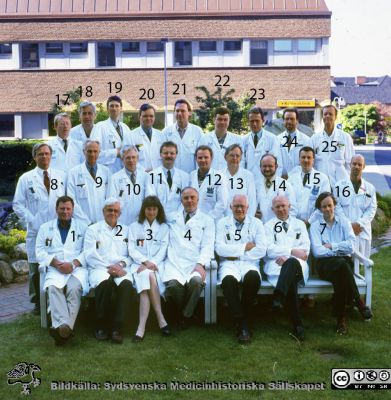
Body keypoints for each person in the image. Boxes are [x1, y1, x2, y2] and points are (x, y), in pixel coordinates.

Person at [13, 143, 66, 315]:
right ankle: (37, 302)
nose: (44, 157)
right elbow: (18, 205)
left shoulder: (60, 176)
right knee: (36, 267)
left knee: (57, 261)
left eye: (47, 154)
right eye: (41, 154)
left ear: (51, 156)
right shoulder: (26, 179)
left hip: (57, 228)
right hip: (36, 230)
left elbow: (66, 201)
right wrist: (32, 220)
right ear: (35, 157)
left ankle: (57, 296)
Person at [310, 192, 373, 335]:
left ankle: (341, 318)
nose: (327, 209)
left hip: (342, 264)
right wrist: (340, 249)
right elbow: (317, 252)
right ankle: (358, 302)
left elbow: (351, 246)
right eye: (324, 206)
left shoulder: (344, 222)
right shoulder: (315, 226)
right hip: (325, 266)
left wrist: (331, 246)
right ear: (320, 209)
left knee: (341, 274)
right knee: (343, 266)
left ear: (334, 205)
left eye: (330, 205)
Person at [36, 196, 88, 345]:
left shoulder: (82, 227)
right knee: (53, 288)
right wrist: (57, 263)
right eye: (62, 208)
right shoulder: (45, 228)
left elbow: (87, 251)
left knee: (74, 289)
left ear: (72, 210)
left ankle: (61, 329)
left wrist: (73, 264)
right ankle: (66, 328)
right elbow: (39, 251)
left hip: (76, 269)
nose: (65, 211)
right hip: (55, 269)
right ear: (56, 209)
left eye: (68, 208)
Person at [215, 195, 266, 344]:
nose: (239, 209)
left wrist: (235, 253)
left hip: (249, 263)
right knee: (229, 281)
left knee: (252, 278)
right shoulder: (222, 223)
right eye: (236, 206)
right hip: (229, 264)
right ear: (230, 207)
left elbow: (261, 249)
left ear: (247, 207)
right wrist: (245, 247)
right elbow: (219, 248)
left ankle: (240, 320)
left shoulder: (256, 223)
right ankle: (244, 323)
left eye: (242, 206)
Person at [84, 198, 136, 343]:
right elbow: (89, 255)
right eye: (110, 210)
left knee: (126, 285)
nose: (113, 213)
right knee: (104, 284)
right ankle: (101, 326)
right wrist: (110, 268)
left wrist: (120, 265)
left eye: (116, 211)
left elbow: (132, 254)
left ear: (120, 213)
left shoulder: (126, 230)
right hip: (100, 267)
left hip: (121, 268)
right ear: (103, 211)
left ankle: (117, 328)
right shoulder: (93, 230)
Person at [163, 187, 215, 328]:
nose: (189, 201)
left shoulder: (207, 220)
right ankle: (188, 312)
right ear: (181, 200)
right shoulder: (172, 218)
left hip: (194, 262)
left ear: (198, 200)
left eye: (192, 197)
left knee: (196, 282)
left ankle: (184, 316)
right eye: (186, 198)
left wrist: (200, 263)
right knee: (173, 286)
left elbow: (208, 246)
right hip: (174, 262)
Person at [264, 196, 310, 341]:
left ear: (289, 206)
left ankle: (279, 296)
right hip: (276, 265)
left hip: (298, 265)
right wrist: (291, 251)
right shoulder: (268, 226)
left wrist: (288, 255)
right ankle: (297, 324)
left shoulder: (300, 225)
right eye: (277, 207)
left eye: (283, 205)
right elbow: (269, 250)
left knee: (291, 264)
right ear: (273, 209)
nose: (281, 209)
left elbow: (305, 251)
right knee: (290, 276)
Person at [128, 196, 170, 342]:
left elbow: (164, 249)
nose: (151, 212)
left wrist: (152, 263)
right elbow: (131, 249)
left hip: (157, 265)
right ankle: (161, 319)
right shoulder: (134, 226)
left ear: (158, 210)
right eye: (148, 209)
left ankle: (141, 328)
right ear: (143, 210)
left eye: (154, 209)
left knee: (148, 278)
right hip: (138, 265)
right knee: (147, 276)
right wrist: (145, 262)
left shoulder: (164, 228)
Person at [334, 155, 377, 259]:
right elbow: (337, 208)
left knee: (362, 262)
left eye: (359, 164)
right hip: (344, 230)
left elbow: (372, 209)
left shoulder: (370, 188)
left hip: (362, 231)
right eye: (354, 164)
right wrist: (349, 226)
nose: (356, 166)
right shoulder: (339, 186)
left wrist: (359, 223)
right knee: (346, 262)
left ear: (364, 167)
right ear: (350, 165)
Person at [67, 140, 111, 225]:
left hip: (102, 221)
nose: (92, 154)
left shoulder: (106, 172)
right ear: (84, 152)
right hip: (81, 222)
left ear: (99, 152)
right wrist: (84, 221)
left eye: (95, 151)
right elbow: (71, 200)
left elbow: (109, 198)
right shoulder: (73, 173)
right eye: (89, 151)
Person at [310, 105, 355, 186]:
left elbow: (350, 162)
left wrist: (348, 181)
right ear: (322, 117)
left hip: (341, 183)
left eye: (330, 114)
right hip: (320, 183)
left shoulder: (345, 137)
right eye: (325, 114)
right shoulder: (314, 138)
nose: (327, 116)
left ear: (335, 117)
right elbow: (311, 162)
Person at [108, 145, 152, 225]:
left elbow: (150, 200)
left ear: (137, 158)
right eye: (128, 158)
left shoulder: (146, 176)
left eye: (133, 157)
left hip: (142, 222)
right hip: (122, 223)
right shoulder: (114, 178)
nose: (131, 160)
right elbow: (112, 203)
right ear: (122, 159)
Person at [288, 146, 330, 226]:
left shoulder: (322, 178)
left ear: (313, 160)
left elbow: (325, 204)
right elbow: (287, 202)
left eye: (309, 157)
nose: (306, 160)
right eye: (303, 157)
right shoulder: (291, 178)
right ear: (299, 159)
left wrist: (309, 221)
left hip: (314, 223)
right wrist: (292, 221)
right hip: (293, 223)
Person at [148, 141, 190, 222]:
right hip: (158, 218)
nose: (169, 156)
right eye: (165, 153)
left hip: (178, 220)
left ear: (176, 155)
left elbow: (185, 200)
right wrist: (161, 215)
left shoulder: (185, 176)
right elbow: (151, 199)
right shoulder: (151, 176)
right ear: (160, 155)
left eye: (172, 153)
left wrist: (176, 216)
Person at [162, 99, 203, 173]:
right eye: (177, 111)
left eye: (183, 111)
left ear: (189, 113)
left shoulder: (198, 132)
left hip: (191, 176)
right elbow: (161, 156)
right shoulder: (166, 132)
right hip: (172, 176)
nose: (179, 113)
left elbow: (201, 156)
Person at [189, 145, 229, 220]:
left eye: (206, 157)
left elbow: (222, 203)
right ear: (196, 159)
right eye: (200, 158)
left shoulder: (219, 177)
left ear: (211, 158)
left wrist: (207, 219)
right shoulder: (191, 175)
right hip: (193, 220)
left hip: (212, 220)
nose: (203, 160)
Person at [255, 154, 297, 223]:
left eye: (270, 166)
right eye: (264, 166)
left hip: (278, 228)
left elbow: (293, 210)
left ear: (276, 166)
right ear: (260, 167)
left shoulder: (285, 185)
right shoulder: (255, 184)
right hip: (259, 228)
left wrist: (282, 225)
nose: (267, 169)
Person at [198, 107, 243, 171]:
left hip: (230, 178)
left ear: (229, 121)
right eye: (219, 119)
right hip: (210, 177)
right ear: (214, 120)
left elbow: (241, 162)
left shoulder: (237, 139)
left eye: (225, 119)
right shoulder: (204, 139)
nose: (222, 122)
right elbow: (199, 161)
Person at [94, 95, 131, 173]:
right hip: (108, 172)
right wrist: (116, 152)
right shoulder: (100, 127)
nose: (114, 108)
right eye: (111, 106)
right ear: (107, 109)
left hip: (125, 172)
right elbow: (94, 154)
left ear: (121, 109)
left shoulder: (126, 128)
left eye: (117, 106)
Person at [124, 103, 165, 172]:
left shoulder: (161, 135)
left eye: (151, 116)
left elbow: (165, 157)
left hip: (159, 176)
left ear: (154, 117)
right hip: (140, 176)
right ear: (139, 117)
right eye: (145, 116)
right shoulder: (130, 136)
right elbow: (127, 158)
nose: (148, 118)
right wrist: (143, 171)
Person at [242, 106, 282, 176]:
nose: (254, 124)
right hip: (248, 181)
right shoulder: (243, 140)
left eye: (257, 121)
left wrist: (273, 183)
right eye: (252, 121)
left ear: (263, 121)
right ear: (248, 122)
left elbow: (278, 164)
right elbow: (241, 163)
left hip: (266, 180)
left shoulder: (272, 139)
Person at [223, 144, 257, 217]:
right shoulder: (218, 175)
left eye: (237, 156)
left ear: (241, 158)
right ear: (225, 157)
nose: (235, 158)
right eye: (231, 155)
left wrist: (247, 221)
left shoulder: (248, 175)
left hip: (242, 218)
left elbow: (252, 201)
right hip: (222, 220)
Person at [277, 108, 311, 179]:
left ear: (297, 121)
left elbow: (308, 163)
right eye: (287, 119)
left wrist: (291, 176)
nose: (289, 121)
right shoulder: (277, 140)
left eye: (292, 119)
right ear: (283, 121)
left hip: (299, 180)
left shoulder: (306, 140)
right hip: (281, 179)